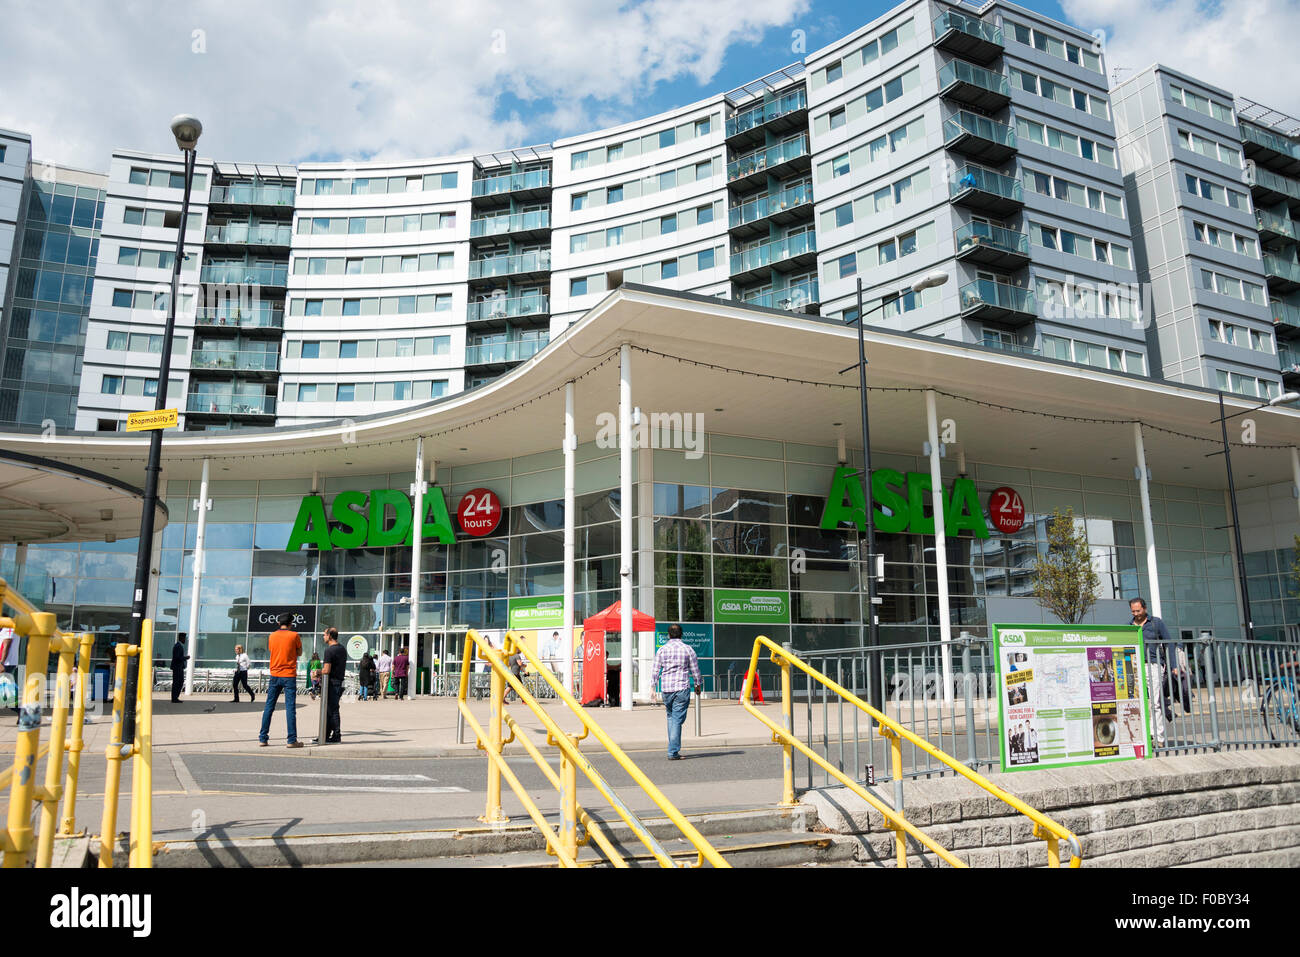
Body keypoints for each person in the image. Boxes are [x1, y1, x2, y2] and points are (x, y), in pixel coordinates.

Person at [650, 624, 701, 760]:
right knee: (678, 719)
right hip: (681, 688)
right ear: (681, 634)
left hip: (666, 689)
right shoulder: (688, 649)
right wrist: (697, 684)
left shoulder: (662, 650)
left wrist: (653, 688)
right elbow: (695, 670)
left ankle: (673, 748)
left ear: (668, 635)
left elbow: (655, 670)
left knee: (671, 717)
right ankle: (672, 751)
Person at [1129, 597, 1174, 747]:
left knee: (1155, 703)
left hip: (1153, 665)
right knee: (1139, 703)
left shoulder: (1156, 623)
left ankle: (1158, 737)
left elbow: (1169, 643)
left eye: (1138, 610)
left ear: (1145, 609)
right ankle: (1143, 735)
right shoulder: (1129, 626)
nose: (1136, 613)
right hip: (1136, 667)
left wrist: (1173, 664)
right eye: (1133, 611)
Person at [258, 612, 304, 748]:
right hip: (289, 675)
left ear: (278, 623)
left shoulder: (272, 636)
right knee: (290, 708)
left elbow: (272, 650)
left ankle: (263, 738)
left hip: (275, 674)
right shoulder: (294, 635)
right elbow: (299, 652)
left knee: (269, 707)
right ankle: (291, 740)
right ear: (291, 623)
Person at [318, 627, 346, 744]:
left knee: (332, 709)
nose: (323, 636)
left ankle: (336, 735)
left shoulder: (329, 651)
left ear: (329, 635)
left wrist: (317, 672)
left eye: (324, 634)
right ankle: (324, 735)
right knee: (330, 709)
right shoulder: (342, 649)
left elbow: (326, 670)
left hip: (332, 683)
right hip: (339, 682)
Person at [1, 627, 20, 715]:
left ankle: (20, 711)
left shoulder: (8, 629)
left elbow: (7, 645)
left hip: (6, 664)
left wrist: (1, 662)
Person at [170, 635, 189, 703]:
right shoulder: (178, 646)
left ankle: (175, 697)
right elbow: (177, 658)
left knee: (178, 682)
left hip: (178, 667)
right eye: (184, 639)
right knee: (178, 682)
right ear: (181, 638)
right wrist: (185, 658)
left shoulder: (178, 645)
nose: (185, 640)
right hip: (177, 667)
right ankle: (174, 698)